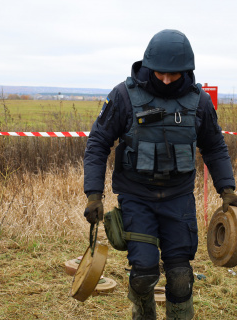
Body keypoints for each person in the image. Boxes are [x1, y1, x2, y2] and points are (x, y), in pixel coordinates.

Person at [83, 29, 237, 320]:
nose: (166, 80)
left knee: (180, 276)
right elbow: (98, 142)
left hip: (178, 198)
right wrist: (93, 193)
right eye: (160, 73)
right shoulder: (124, 96)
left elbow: (215, 147)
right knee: (143, 272)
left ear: (186, 71)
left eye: (173, 74)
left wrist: (226, 187)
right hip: (136, 197)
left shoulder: (200, 103)